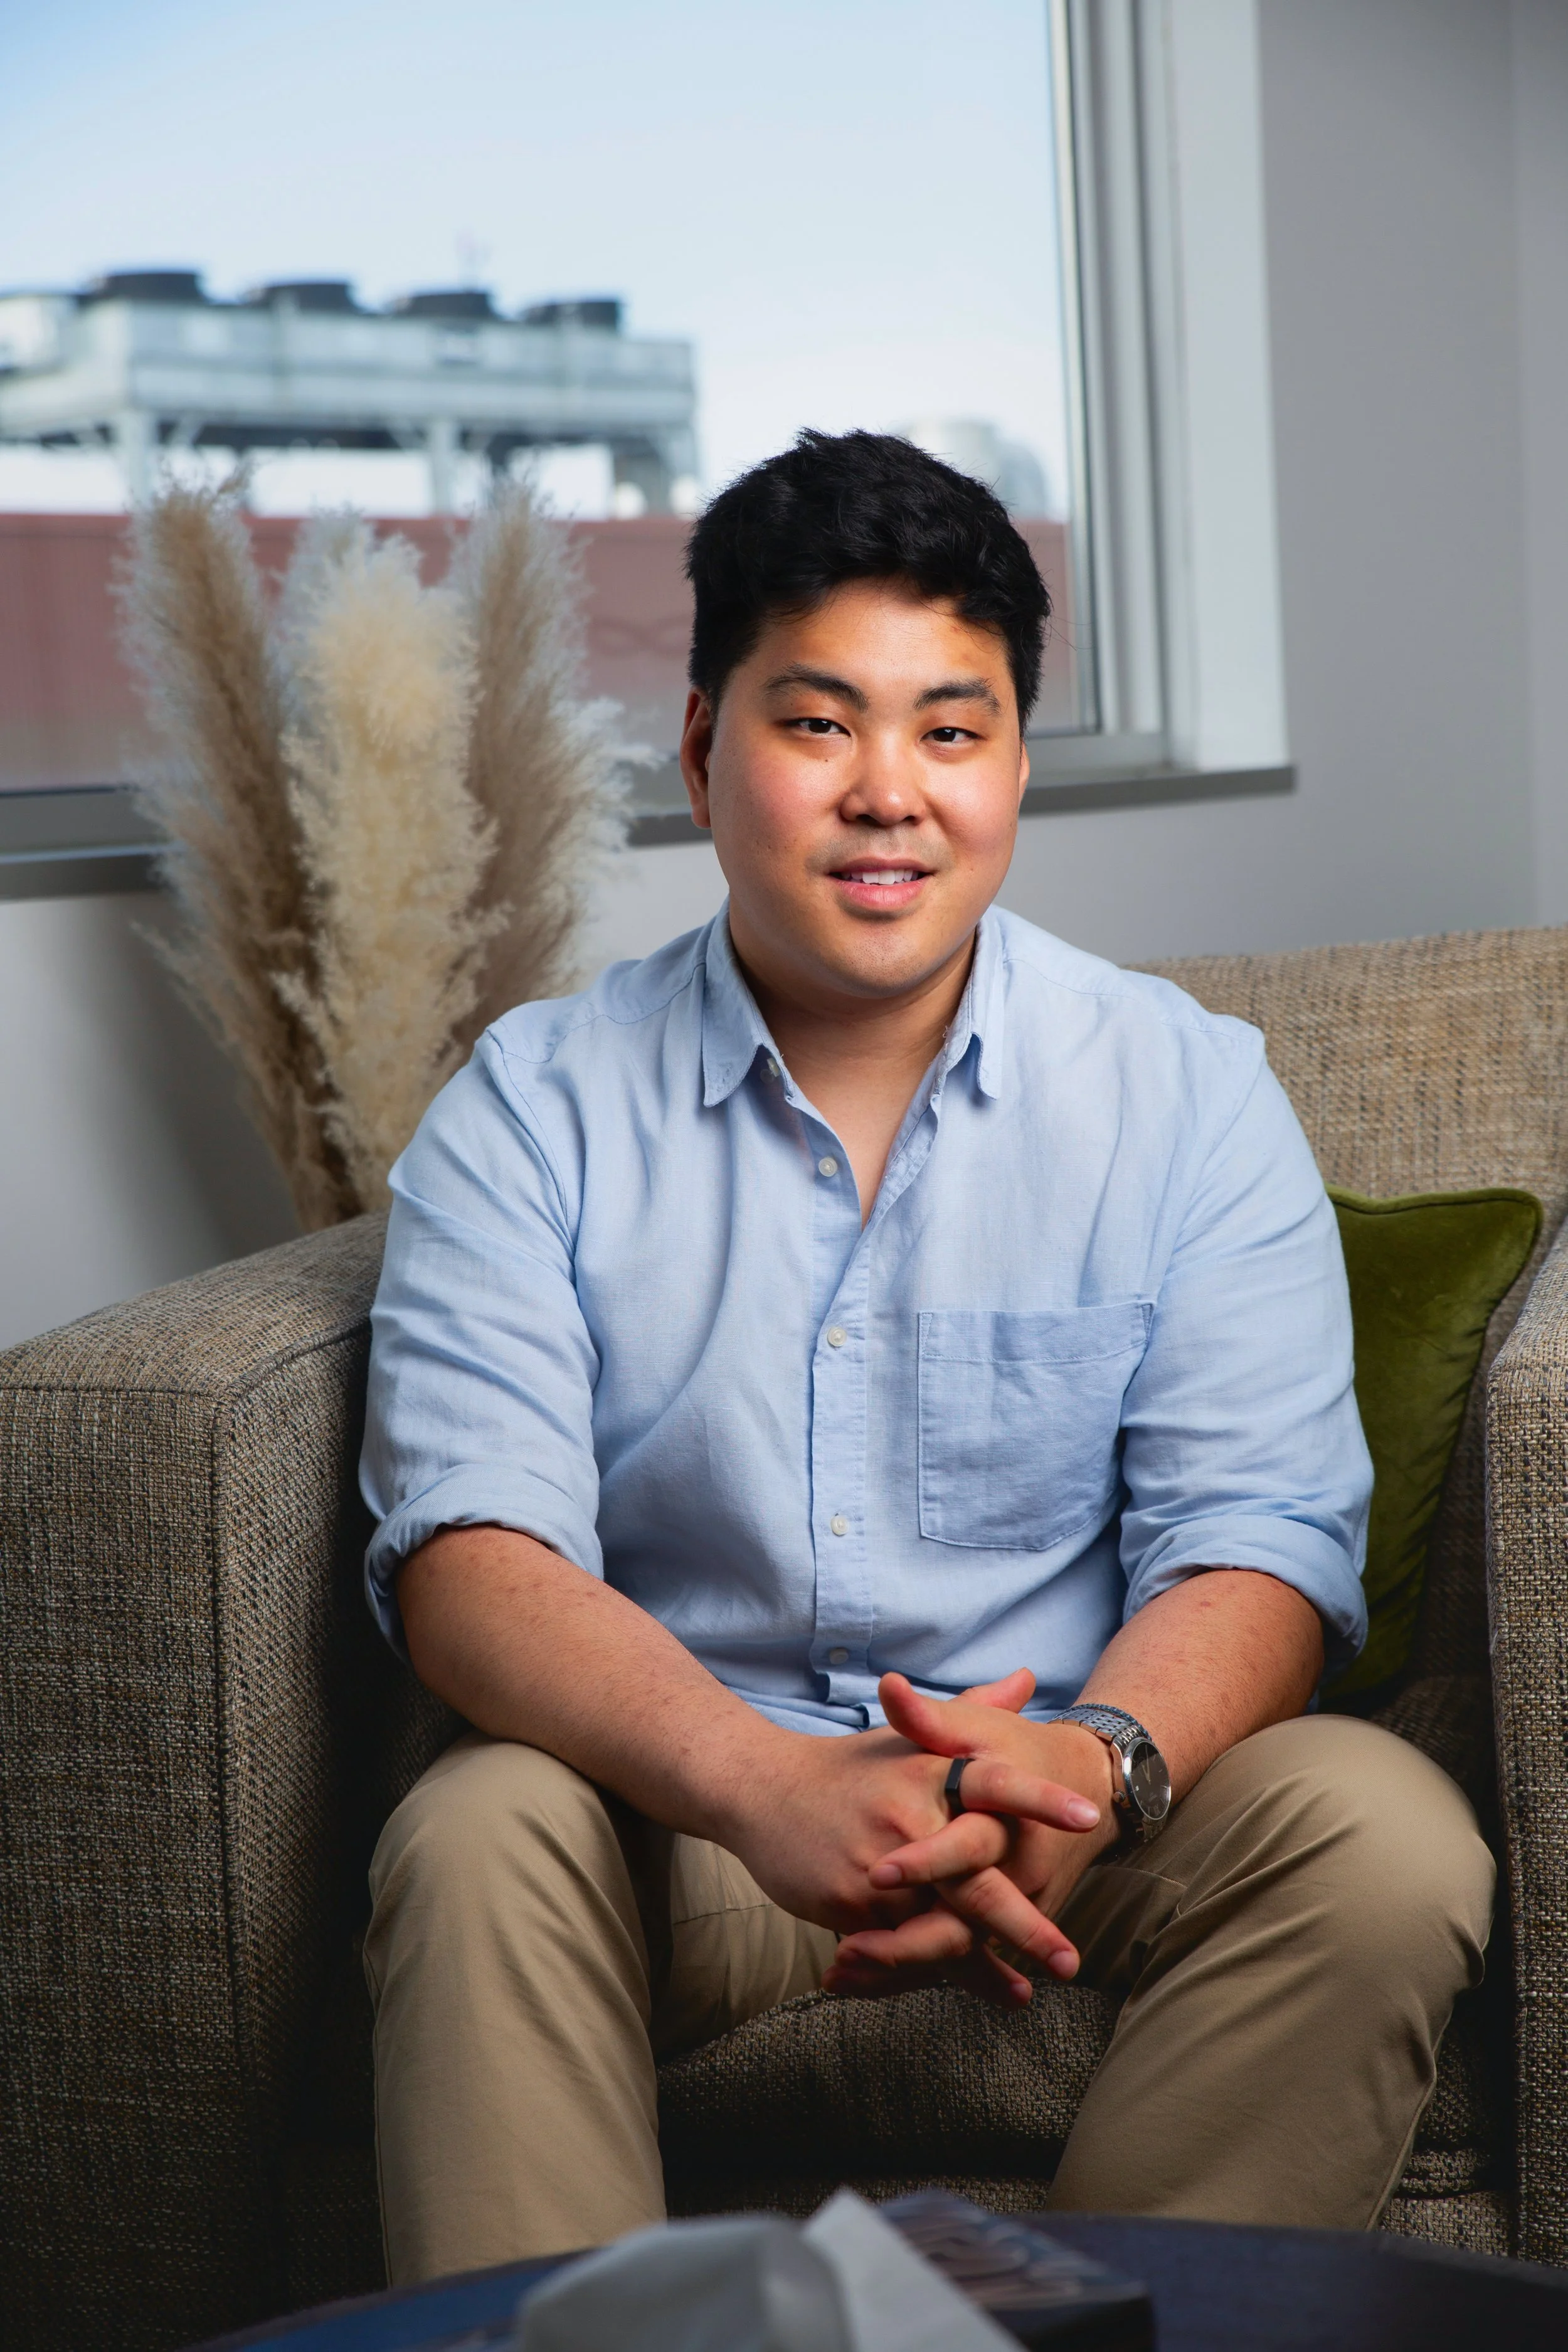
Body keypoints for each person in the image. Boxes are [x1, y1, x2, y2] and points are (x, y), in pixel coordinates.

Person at [359, 429, 1492, 2286]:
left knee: (1379, 1829)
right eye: (819, 725)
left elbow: (1259, 1537)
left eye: (948, 732)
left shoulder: (1183, 1093)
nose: (888, 793)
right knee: (478, 1830)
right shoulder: (535, 1108)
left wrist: (1095, 1762)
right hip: (691, 1812)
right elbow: (474, 1560)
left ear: (1014, 769)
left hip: (1071, 1789)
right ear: (708, 749)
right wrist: (756, 1782)